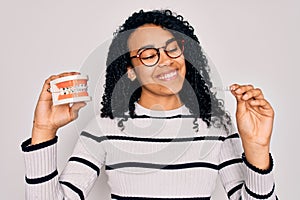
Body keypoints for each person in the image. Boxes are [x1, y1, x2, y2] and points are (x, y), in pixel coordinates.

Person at [21, 9, 278, 199]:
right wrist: (43, 130)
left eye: (172, 48)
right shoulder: (104, 128)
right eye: (148, 54)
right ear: (130, 70)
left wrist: (257, 149)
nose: (166, 60)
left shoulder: (216, 126)